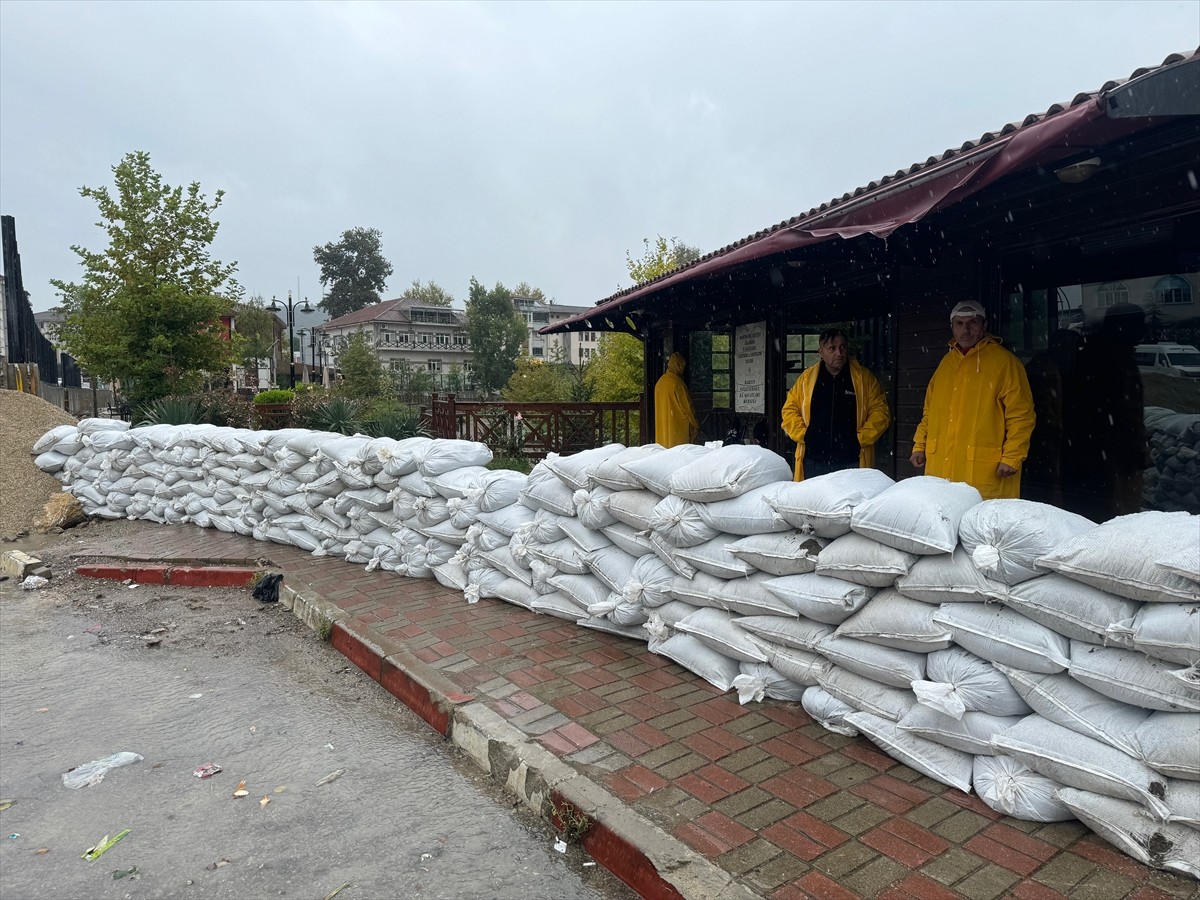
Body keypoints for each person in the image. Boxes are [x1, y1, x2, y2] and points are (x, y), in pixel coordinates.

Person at [910, 300, 1035, 499]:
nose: (965, 330)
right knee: (942, 522)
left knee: (981, 524)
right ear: (951, 327)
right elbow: (929, 413)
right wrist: (919, 445)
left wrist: (1012, 457)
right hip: (940, 468)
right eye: (959, 323)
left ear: (984, 325)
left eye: (973, 323)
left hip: (984, 471)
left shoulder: (1005, 363)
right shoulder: (945, 364)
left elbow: (1021, 416)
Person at [1061, 303, 1147, 521]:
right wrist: (1132, 449)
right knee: (1107, 515)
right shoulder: (1109, 357)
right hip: (1100, 451)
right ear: (1122, 326)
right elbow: (1120, 411)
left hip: (1095, 449)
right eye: (1138, 324)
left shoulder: (1098, 352)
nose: (1143, 331)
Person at [781, 328, 891, 481]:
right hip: (814, 460)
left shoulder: (863, 378)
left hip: (851, 459)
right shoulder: (807, 380)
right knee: (813, 502)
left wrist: (860, 439)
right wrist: (806, 436)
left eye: (843, 347)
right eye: (832, 348)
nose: (839, 353)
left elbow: (881, 411)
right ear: (821, 352)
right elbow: (789, 410)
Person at [1023, 329, 1082, 506]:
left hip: (1043, 441)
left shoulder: (1049, 365)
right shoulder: (1045, 370)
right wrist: (1055, 433)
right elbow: (1044, 409)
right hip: (1041, 441)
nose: (1075, 353)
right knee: (1045, 490)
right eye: (1073, 347)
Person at [654, 352, 699, 448]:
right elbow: (687, 408)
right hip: (678, 431)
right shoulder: (677, 384)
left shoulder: (660, 383)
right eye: (680, 365)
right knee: (679, 457)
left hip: (662, 431)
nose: (682, 368)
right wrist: (695, 424)